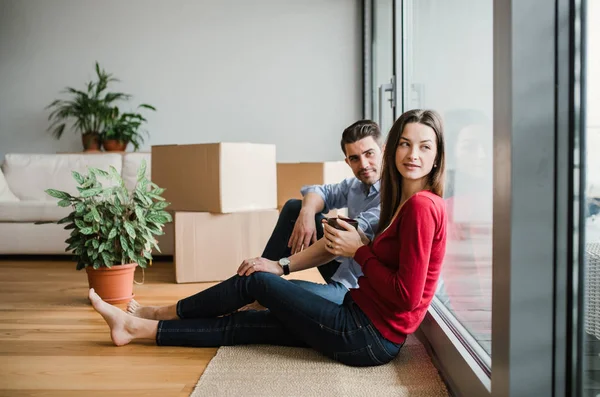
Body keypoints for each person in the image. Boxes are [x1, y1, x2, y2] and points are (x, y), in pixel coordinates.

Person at [89, 109, 448, 367]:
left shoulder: (419, 207)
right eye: (405, 144)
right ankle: (136, 328)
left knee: (258, 282)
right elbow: (317, 195)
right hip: (360, 316)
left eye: (424, 147)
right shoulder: (402, 202)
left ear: (436, 156)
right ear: (395, 149)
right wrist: (312, 215)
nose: (412, 154)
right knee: (244, 325)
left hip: (367, 335)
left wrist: (360, 252)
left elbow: (407, 297)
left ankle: (162, 312)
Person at [254, 119, 383, 306]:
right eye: (354, 158)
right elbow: (320, 191)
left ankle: (261, 282)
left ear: (383, 151)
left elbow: (341, 239)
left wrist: (282, 265)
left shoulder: (392, 196)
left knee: (275, 290)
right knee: (294, 207)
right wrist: (306, 213)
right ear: (347, 161)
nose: (363, 164)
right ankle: (258, 277)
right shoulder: (356, 185)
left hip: (356, 289)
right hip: (342, 267)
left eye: (369, 154)